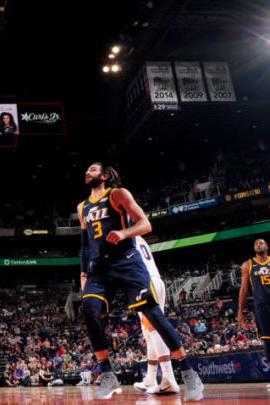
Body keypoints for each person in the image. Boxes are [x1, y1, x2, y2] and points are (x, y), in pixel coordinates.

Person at [78, 162, 203, 401]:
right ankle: (108, 375)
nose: (87, 172)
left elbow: (146, 224)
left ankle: (189, 373)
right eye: (87, 170)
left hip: (126, 262)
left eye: (93, 169)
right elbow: (84, 246)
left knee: (153, 315)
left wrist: (124, 233)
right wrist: (83, 275)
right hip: (99, 269)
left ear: (104, 176)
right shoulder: (82, 206)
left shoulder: (117, 194)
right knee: (89, 309)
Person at [131, 236, 179, 395]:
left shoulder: (122, 235)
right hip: (154, 280)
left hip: (144, 282)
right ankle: (150, 378)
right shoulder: (138, 237)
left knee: (154, 330)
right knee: (149, 333)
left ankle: (169, 378)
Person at [237, 238, 270, 392]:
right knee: (268, 343)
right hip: (262, 307)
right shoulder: (247, 265)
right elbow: (244, 290)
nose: (258, 244)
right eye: (256, 243)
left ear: (267, 246)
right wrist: (240, 312)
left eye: (261, 242)